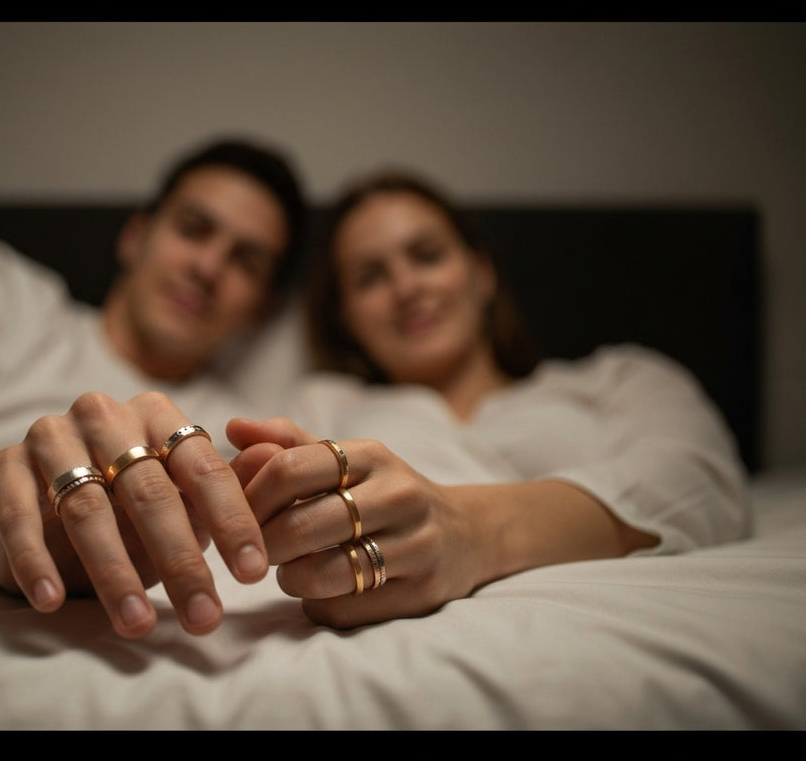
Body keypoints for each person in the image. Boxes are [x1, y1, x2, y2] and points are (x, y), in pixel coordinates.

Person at [0, 137, 308, 640]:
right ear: (136, 235)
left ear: (261, 308)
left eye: (247, 261)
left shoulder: (233, 436)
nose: (208, 268)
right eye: (193, 229)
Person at [226, 170, 752, 630]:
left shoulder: (619, 380)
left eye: (427, 256)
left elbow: (701, 483)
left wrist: (473, 532)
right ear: (346, 318)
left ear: (482, 272)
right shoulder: (321, 404)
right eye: (371, 277)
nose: (407, 287)